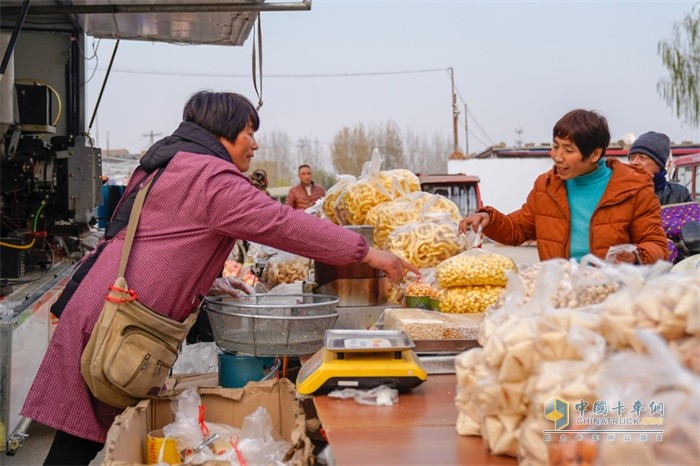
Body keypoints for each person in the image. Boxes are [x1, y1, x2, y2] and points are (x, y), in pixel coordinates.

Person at [22, 90, 418, 465]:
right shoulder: (210, 179)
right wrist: (364, 252)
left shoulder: (174, 164)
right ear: (223, 133)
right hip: (118, 321)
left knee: (82, 435)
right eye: (249, 133)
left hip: (106, 304)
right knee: (76, 443)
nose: (255, 144)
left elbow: (159, 238)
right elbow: (280, 223)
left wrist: (207, 281)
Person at [459, 109, 669, 264]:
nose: (557, 157)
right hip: (559, 296)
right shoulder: (547, 187)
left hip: (611, 300)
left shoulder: (633, 189)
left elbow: (658, 246)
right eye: (555, 146)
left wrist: (636, 255)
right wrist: (489, 219)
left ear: (595, 154)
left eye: (568, 150)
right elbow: (517, 229)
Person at [627, 131, 693, 205]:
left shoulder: (679, 194)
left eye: (642, 158)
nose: (634, 163)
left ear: (659, 165)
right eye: (632, 158)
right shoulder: (621, 192)